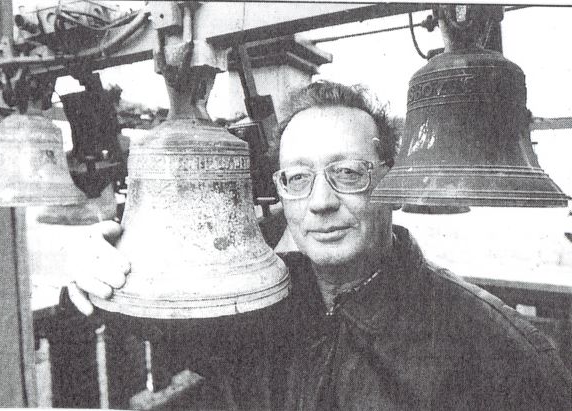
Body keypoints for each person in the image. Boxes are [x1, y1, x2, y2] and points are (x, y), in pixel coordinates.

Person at [69, 81, 572, 410]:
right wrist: (110, 274)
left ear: (391, 181)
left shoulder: (493, 347)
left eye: (348, 173)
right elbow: (171, 330)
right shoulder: (254, 311)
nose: (321, 202)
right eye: (298, 177)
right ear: (280, 189)